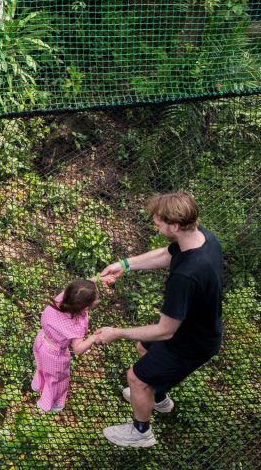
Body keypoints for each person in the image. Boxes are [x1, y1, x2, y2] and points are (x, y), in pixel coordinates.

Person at [93, 192, 223, 448]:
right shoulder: (204, 238)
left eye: (158, 223)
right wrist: (125, 265)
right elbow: (168, 254)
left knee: (137, 378)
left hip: (192, 342)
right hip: (193, 327)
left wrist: (116, 332)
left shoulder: (186, 277)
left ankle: (141, 432)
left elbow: (164, 331)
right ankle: (159, 397)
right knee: (143, 348)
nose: (155, 225)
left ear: (174, 226)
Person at [32, 279, 100, 412]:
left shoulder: (62, 299)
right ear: (86, 308)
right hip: (55, 356)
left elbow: (79, 288)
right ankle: (51, 403)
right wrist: (94, 338)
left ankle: (38, 384)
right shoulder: (77, 324)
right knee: (56, 380)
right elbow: (78, 349)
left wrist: (98, 279)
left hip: (41, 342)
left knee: (41, 366)